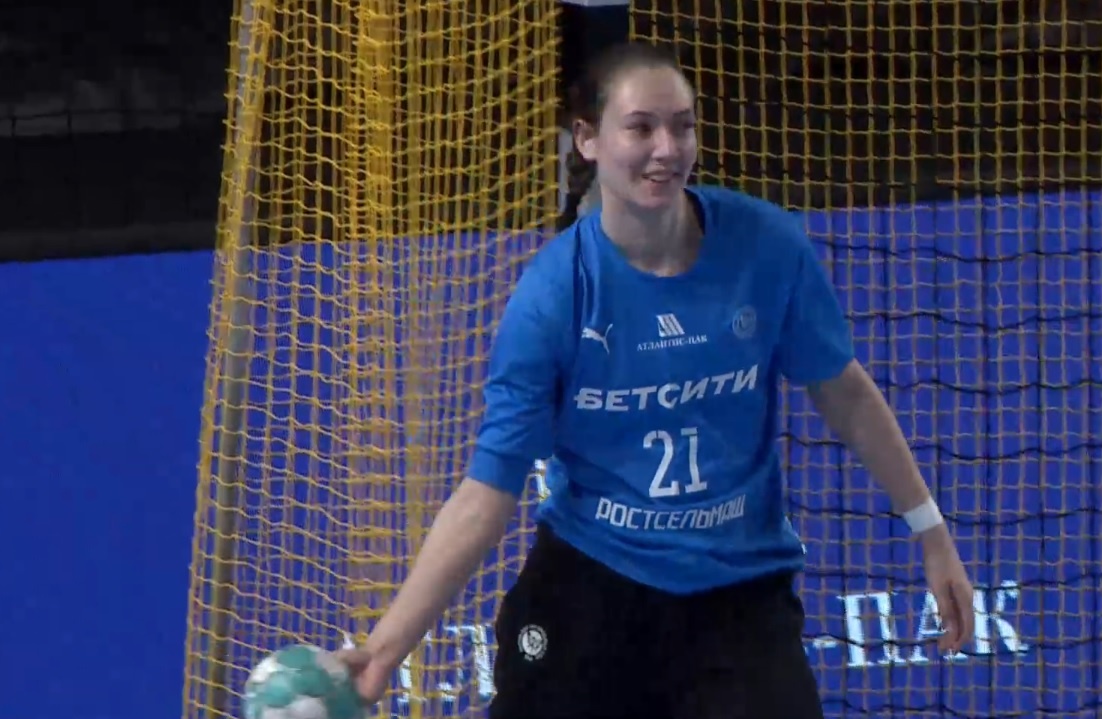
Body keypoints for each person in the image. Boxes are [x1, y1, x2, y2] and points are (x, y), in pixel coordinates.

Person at [336, 41, 976, 718]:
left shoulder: (766, 247)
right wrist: (383, 652)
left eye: (683, 126)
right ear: (587, 139)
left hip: (738, 589)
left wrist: (931, 532)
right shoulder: (553, 297)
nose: (667, 148)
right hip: (594, 581)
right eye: (641, 127)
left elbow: (845, 393)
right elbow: (486, 493)